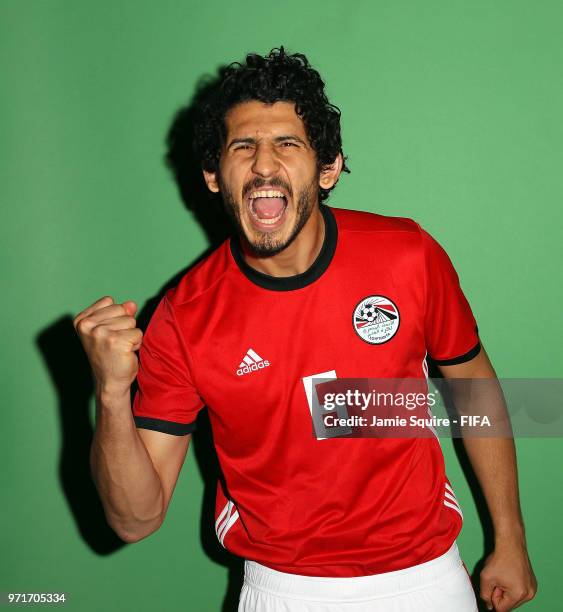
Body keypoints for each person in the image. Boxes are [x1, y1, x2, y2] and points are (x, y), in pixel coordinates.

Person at [74, 47, 537, 611]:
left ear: (328, 167)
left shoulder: (408, 256)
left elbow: (475, 390)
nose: (264, 165)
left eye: (287, 144)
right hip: (283, 589)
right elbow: (134, 519)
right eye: (242, 147)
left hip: (425, 581)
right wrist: (112, 393)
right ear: (214, 175)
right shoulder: (184, 315)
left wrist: (510, 538)